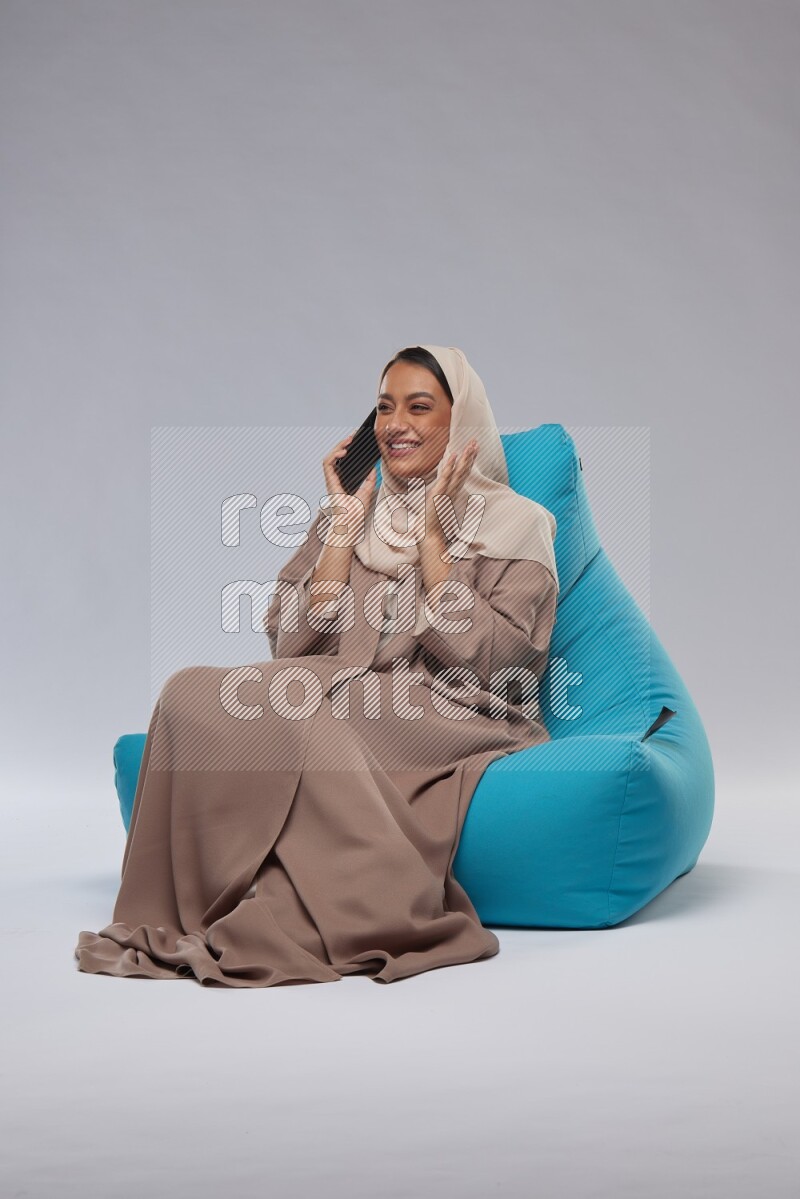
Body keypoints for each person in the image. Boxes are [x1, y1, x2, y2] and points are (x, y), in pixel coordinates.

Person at [74, 344, 560, 987]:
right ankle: (204, 896)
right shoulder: (356, 515)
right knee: (191, 690)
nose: (396, 424)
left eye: (420, 407)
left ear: (461, 424)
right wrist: (337, 534)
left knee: (301, 712)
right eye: (385, 407)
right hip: (339, 685)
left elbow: (502, 661)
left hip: (456, 705)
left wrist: (436, 544)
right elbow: (290, 645)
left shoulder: (518, 524)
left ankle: (358, 900)